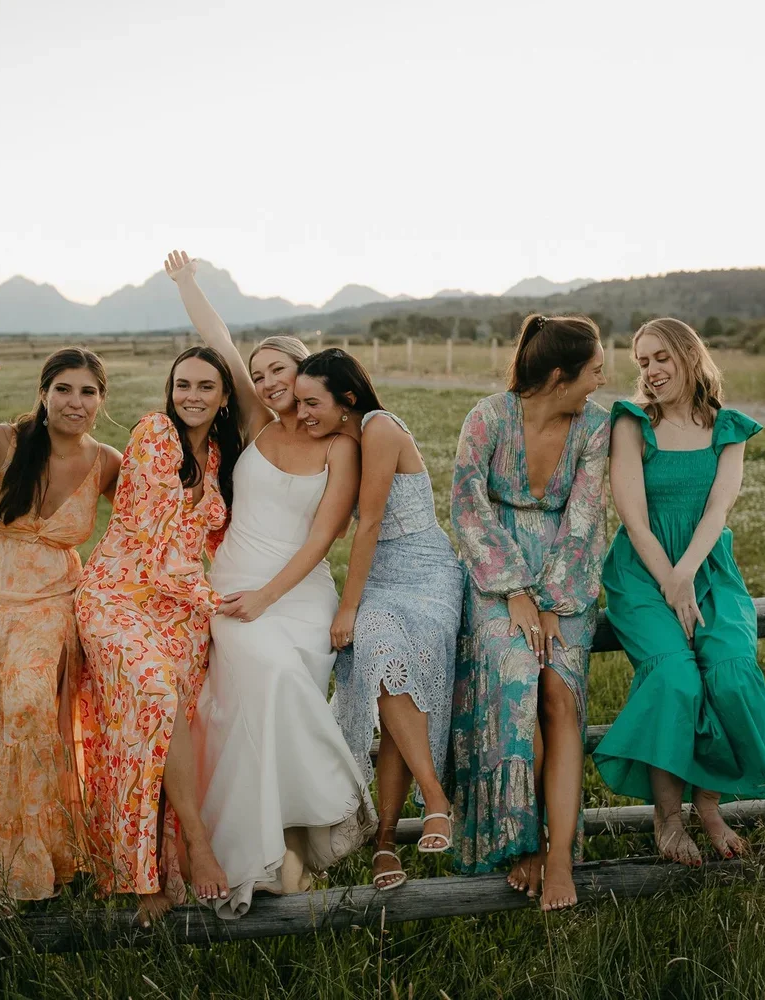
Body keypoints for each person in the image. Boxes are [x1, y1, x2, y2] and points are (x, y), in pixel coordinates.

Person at [164, 251, 375, 918]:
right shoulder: (255, 425)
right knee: (247, 695)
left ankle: (288, 849)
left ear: (304, 370)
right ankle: (260, 856)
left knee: (281, 680)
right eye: (257, 375)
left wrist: (267, 598)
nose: (265, 379)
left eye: (277, 369)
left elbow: (321, 540)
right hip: (230, 586)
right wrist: (186, 282)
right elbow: (221, 342)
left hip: (295, 593)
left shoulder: (341, 445)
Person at [0, 348, 121, 908]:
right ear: (43, 392)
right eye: (63, 389)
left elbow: (149, 520)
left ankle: (35, 854)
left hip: (48, 596)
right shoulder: (1, 441)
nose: (74, 402)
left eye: (86, 391)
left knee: (31, 702)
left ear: (102, 400)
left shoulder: (107, 461)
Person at [592, 318, 765, 866]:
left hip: (709, 568)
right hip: (642, 570)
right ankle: (669, 817)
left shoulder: (728, 427)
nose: (651, 372)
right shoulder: (632, 423)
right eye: (642, 363)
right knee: (676, 677)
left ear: (688, 355)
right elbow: (632, 518)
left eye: (661, 359)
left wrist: (688, 577)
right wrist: (668, 581)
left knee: (730, 673)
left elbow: (718, 508)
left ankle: (708, 805)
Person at [75, 345, 243, 927]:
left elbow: (210, 543)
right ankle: (169, 859)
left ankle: (166, 861)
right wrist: (216, 602)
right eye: (182, 385)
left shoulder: (220, 453)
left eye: (204, 387)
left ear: (224, 398)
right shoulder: (154, 435)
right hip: (120, 593)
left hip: (179, 609)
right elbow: (152, 547)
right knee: (153, 697)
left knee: (179, 718)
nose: (190, 396)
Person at [448, 315, 610, 911]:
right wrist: (514, 589)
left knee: (559, 698)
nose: (603, 377)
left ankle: (560, 854)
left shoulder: (597, 426)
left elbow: (587, 517)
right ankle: (525, 837)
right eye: (595, 368)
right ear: (561, 375)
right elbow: (466, 504)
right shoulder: (487, 419)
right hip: (496, 577)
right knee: (518, 687)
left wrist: (551, 600)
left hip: (568, 578)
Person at [294, 349, 464, 892]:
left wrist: (348, 607)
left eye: (310, 402)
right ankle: (389, 838)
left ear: (346, 398)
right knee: (387, 669)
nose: (301, 414)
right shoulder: (341, 443)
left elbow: (366, 527)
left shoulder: (381, 428)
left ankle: (427, 806)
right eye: (297, 404)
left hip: (425, 573)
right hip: (381, 579)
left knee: (380, 647)